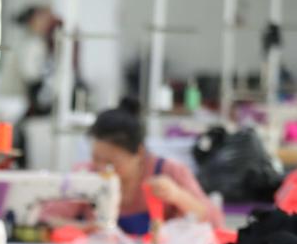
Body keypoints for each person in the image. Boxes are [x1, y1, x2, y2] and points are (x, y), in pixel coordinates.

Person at [89, 98, 224, 235]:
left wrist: (177, 195)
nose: (101, 168)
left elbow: (215, 221)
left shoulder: (170, 171)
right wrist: (84, 227)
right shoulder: (87, 174)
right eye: (96, 158)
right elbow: (72, 220)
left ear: (139, 153)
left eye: (111, 162)